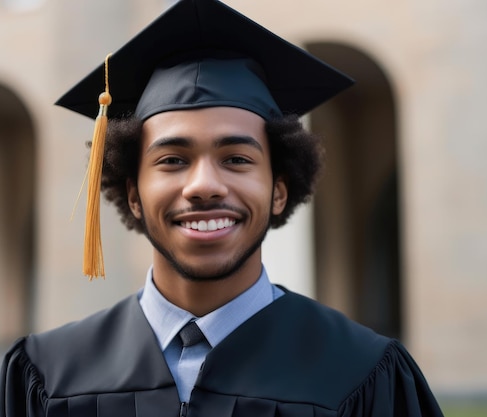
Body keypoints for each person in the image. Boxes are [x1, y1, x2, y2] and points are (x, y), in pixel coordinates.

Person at [1, 1, 444, 416]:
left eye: (236, 159)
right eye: (173, 160)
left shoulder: (363, 373)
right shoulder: (47, 374)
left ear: (279, 191)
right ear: (133, 194)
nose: (204, 186)